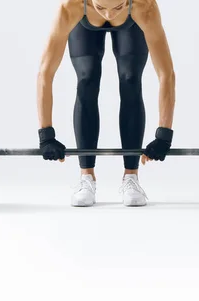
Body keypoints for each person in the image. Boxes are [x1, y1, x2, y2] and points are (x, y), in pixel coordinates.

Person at [37, 0, 176, 206]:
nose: (109, 15)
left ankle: (131, 177)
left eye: (117, 7)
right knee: (86, 78)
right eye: (101, 8)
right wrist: (46, 135)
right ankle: (87, 177)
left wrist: (164, 135)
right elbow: (45, 74)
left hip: (131, 21)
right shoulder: (71, 7)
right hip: (85, 21)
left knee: (130, 79)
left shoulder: (144, 6)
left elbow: (166, 74)